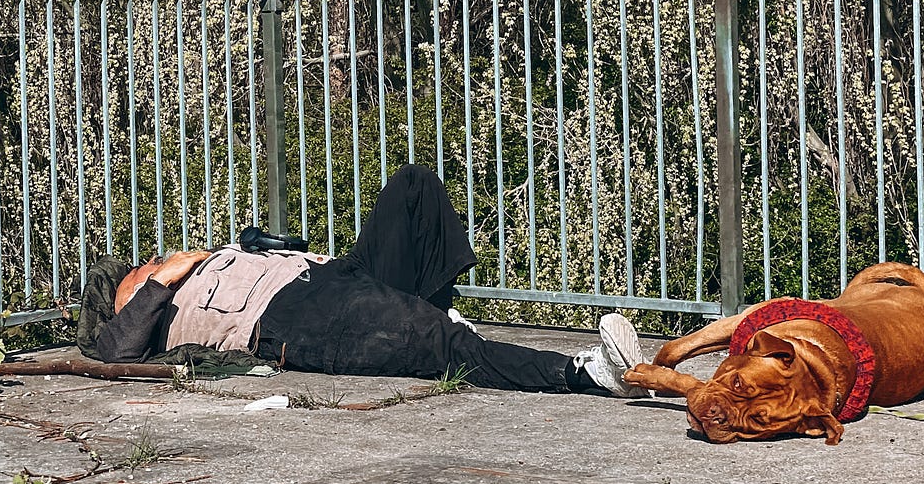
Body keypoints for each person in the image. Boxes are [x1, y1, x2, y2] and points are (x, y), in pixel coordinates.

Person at [94, 164, 648, 397]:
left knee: (413, 186)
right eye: (135, 278)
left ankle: (438, 321)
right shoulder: (148, 314)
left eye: (147, 266)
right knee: (440, 344)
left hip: (335, 276)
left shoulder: (213, 260)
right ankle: (588, 374)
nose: (152, 265)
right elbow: (114, 350)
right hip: (295, 319)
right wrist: (161, 279)